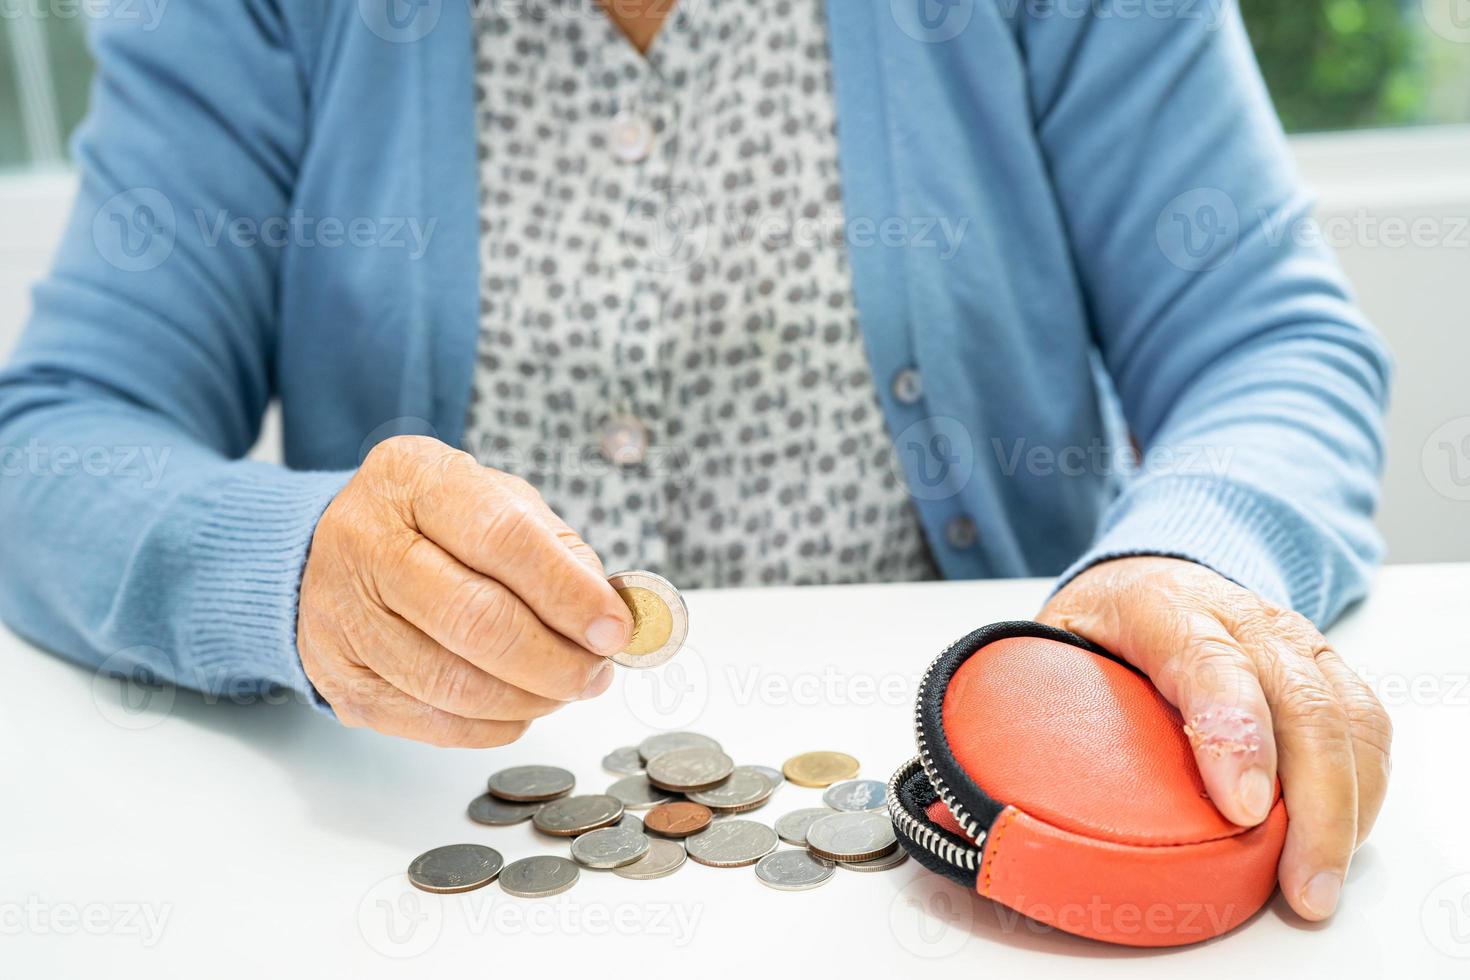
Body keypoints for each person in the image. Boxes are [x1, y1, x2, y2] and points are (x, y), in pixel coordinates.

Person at [0, 0, 1391, 924]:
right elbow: (53, 439)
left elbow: (1266, 342)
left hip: (951, 886)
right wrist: (296, 570)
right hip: (416, 886)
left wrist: (1185, 555)